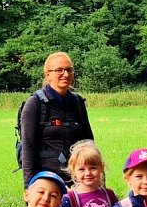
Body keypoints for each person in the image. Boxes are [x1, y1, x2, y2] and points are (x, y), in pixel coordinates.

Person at [19, 51, 93, 186]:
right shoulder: (34, 104)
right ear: (48, 75)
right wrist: (29, 187)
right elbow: (28, 148)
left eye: (69, 70)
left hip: (77, 178)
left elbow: (89, 144)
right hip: (46, 179)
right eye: (59, 70)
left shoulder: (78, 103)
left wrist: (99, 182)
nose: (65, 74)